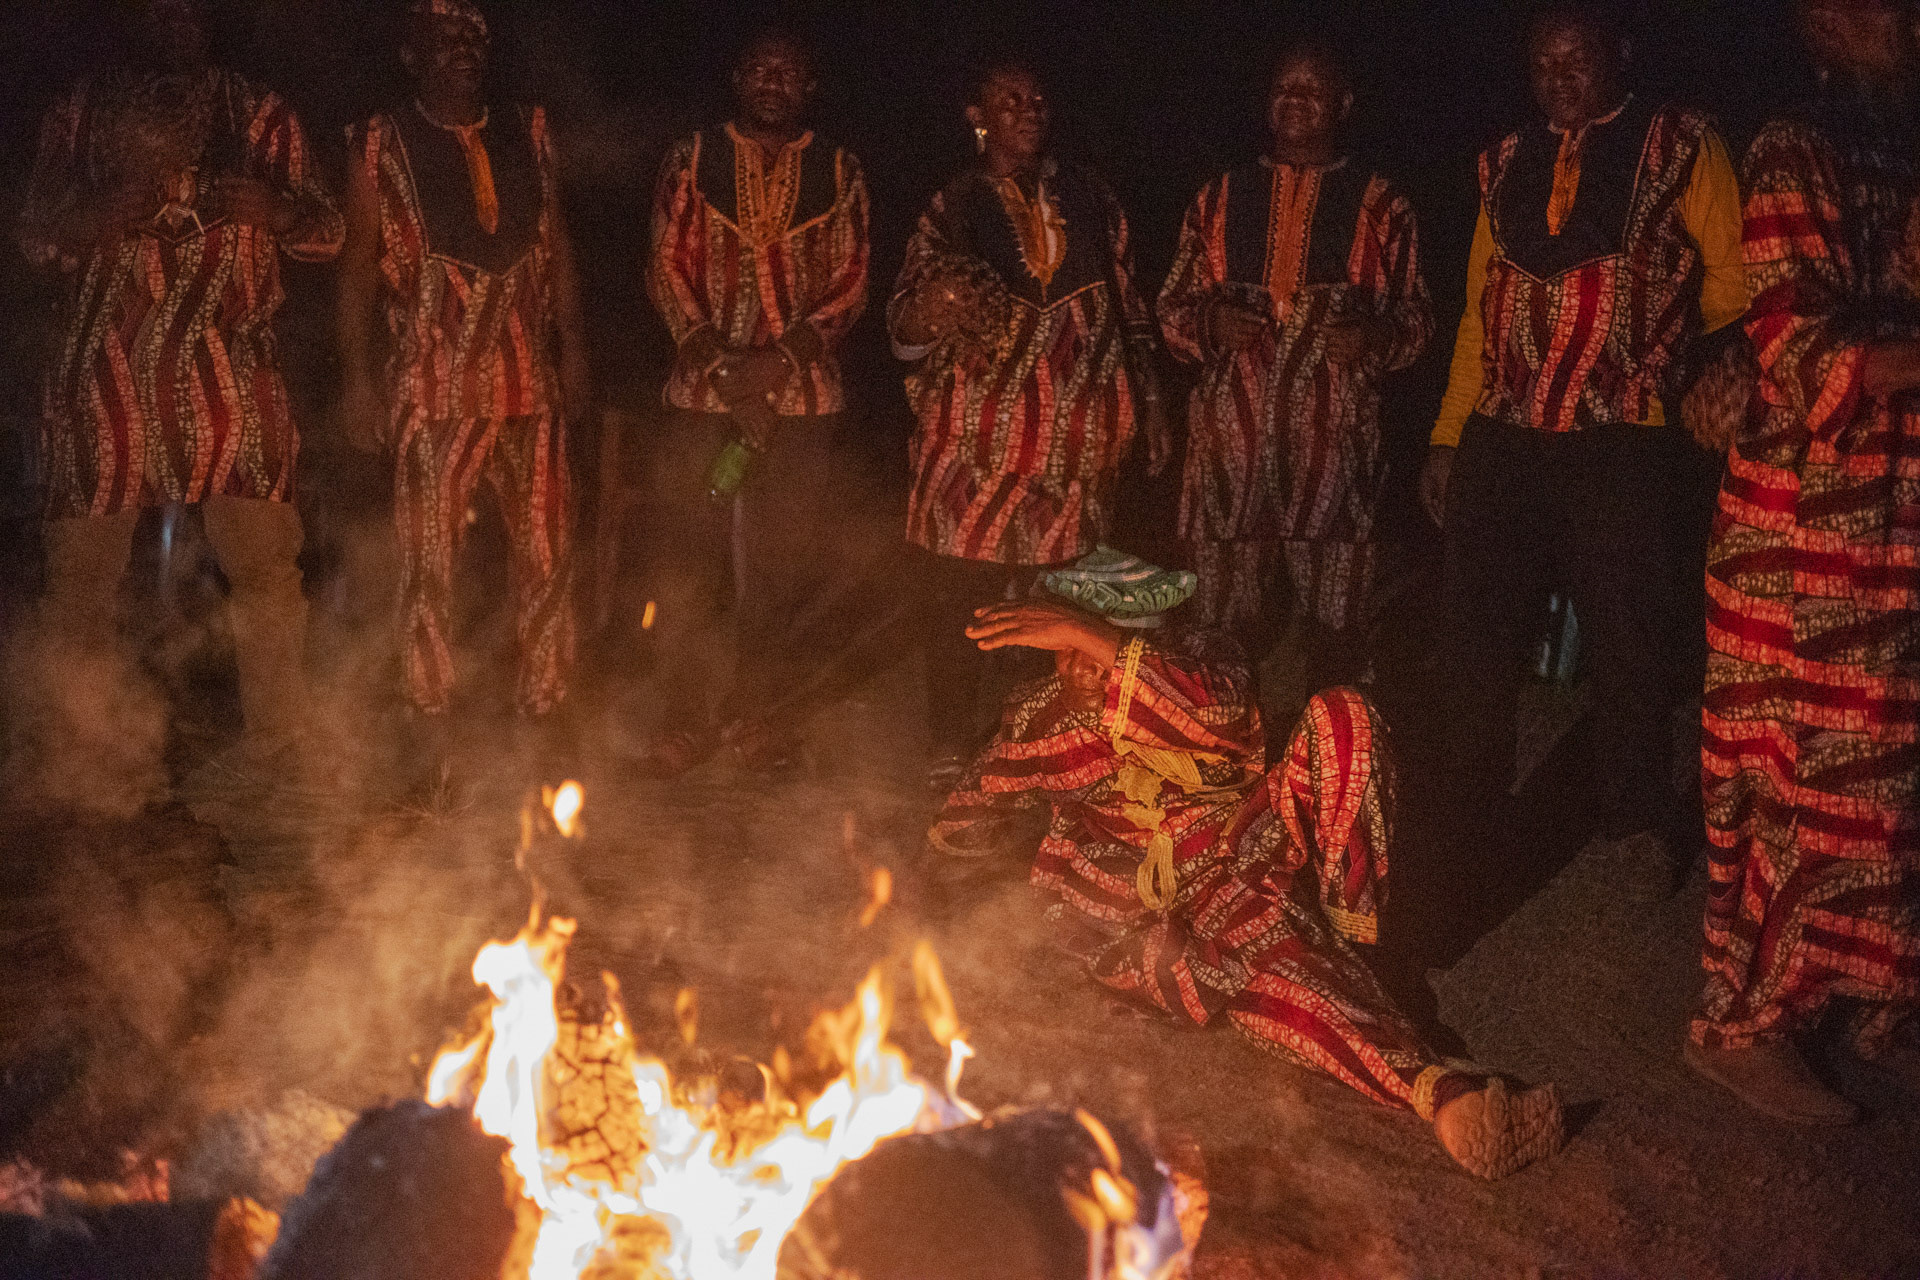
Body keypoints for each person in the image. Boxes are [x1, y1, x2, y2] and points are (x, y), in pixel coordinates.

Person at [929, 550, 1564, 1179]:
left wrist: (1091, 639)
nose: (1077, 666)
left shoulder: (1206, 663)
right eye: (1061, 647)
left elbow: (1220, 718)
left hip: (1241, 843)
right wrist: (927, 883)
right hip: (1157, 913)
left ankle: (1358, 940)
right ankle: (1447, 1097)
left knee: (1343, 718)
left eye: (1092, 646)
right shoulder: (1043, 719)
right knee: (1272, 970)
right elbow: (971, 810)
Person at [1420, 3, 1749, 885]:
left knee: (1629, 640)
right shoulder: (1502, 164)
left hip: (1624, 438)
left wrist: (1711, 373)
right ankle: (1470, 818)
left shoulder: (1682, 145)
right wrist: (1449, 437)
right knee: (1475, 641)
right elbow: (1477, 317)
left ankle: (1635, 821)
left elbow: (1734, 277)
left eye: (1578, 59)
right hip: (1505, 431)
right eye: (1542, 64)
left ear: (1621, 55)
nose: (1559, 79)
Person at [1686, 0, 1920, 1124]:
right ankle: (1744, 1023)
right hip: (1797, 535)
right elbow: (1801, 340)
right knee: (1794, 780)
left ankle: (1877, 1000)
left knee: (1884, 778)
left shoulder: (1897, 145)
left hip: (1885, 524)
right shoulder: (1793, 150)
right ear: (1822, 22)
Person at [15, 0, 342, 781]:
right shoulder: (80, 115)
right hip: (105, 378)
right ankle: (81, 755)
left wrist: (280, 209)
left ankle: (282, 741)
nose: (177, 22)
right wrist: (84, 216)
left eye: (192, 11)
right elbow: (31, 232)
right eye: (160, 11)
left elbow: (326, 231)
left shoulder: (261, 118)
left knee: (267, 571)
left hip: (231, 376)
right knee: (81, 586)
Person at [892, 62, 1171, 788]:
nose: (1028, 109)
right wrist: (936, 304)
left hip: (1071, 445)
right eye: (1009, 99)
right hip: (971, 443)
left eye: (1038, 98)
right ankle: (951, 741)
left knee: (1058, 606)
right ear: (976, 114)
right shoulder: (953, 204)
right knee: (959, 601)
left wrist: (1149, 399)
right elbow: (904, 329)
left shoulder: (1092, 197)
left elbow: (1127, 308)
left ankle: (1045, 744)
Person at [338, 0, 590, 756]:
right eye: (443, 39)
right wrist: (356, 378)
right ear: (412, 56)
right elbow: (355, 272)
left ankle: (547, 709)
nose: (462, 49)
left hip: (528, 385)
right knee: (426, 562)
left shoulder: (532, 130)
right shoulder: (378, 142)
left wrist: (574, 349)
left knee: (548, 549)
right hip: (431, 383)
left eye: (473, 37)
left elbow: (558, 247)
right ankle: (429, 719)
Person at [643, 28, 873, 775]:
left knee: (779, 573)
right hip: (702, 398)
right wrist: (724, 372)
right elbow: (667, 272)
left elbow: (850, 283)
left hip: (800, 404)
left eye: (790, 71)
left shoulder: (838, 170)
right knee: (688, 568)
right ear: (738, 77)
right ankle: (681, 722)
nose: (773, 81)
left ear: (809, 86)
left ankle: (759, 722)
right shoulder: (692, 158)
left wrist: (773, 367)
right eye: (760, 68)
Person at [1159, 41, 1430, 662]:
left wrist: (1375, 340)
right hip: (1230, 456)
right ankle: (1218, 745)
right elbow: (1170, 309)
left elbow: (1417, 319)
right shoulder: (1218, 198)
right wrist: (1208, 322)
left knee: (1337, 626)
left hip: (1333, 453)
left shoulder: (1383, 206)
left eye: (1313, 88)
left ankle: (1328, 748)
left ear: (1344, 103)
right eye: (1284, 87)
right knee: (1220, 626)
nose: (1295, 100)